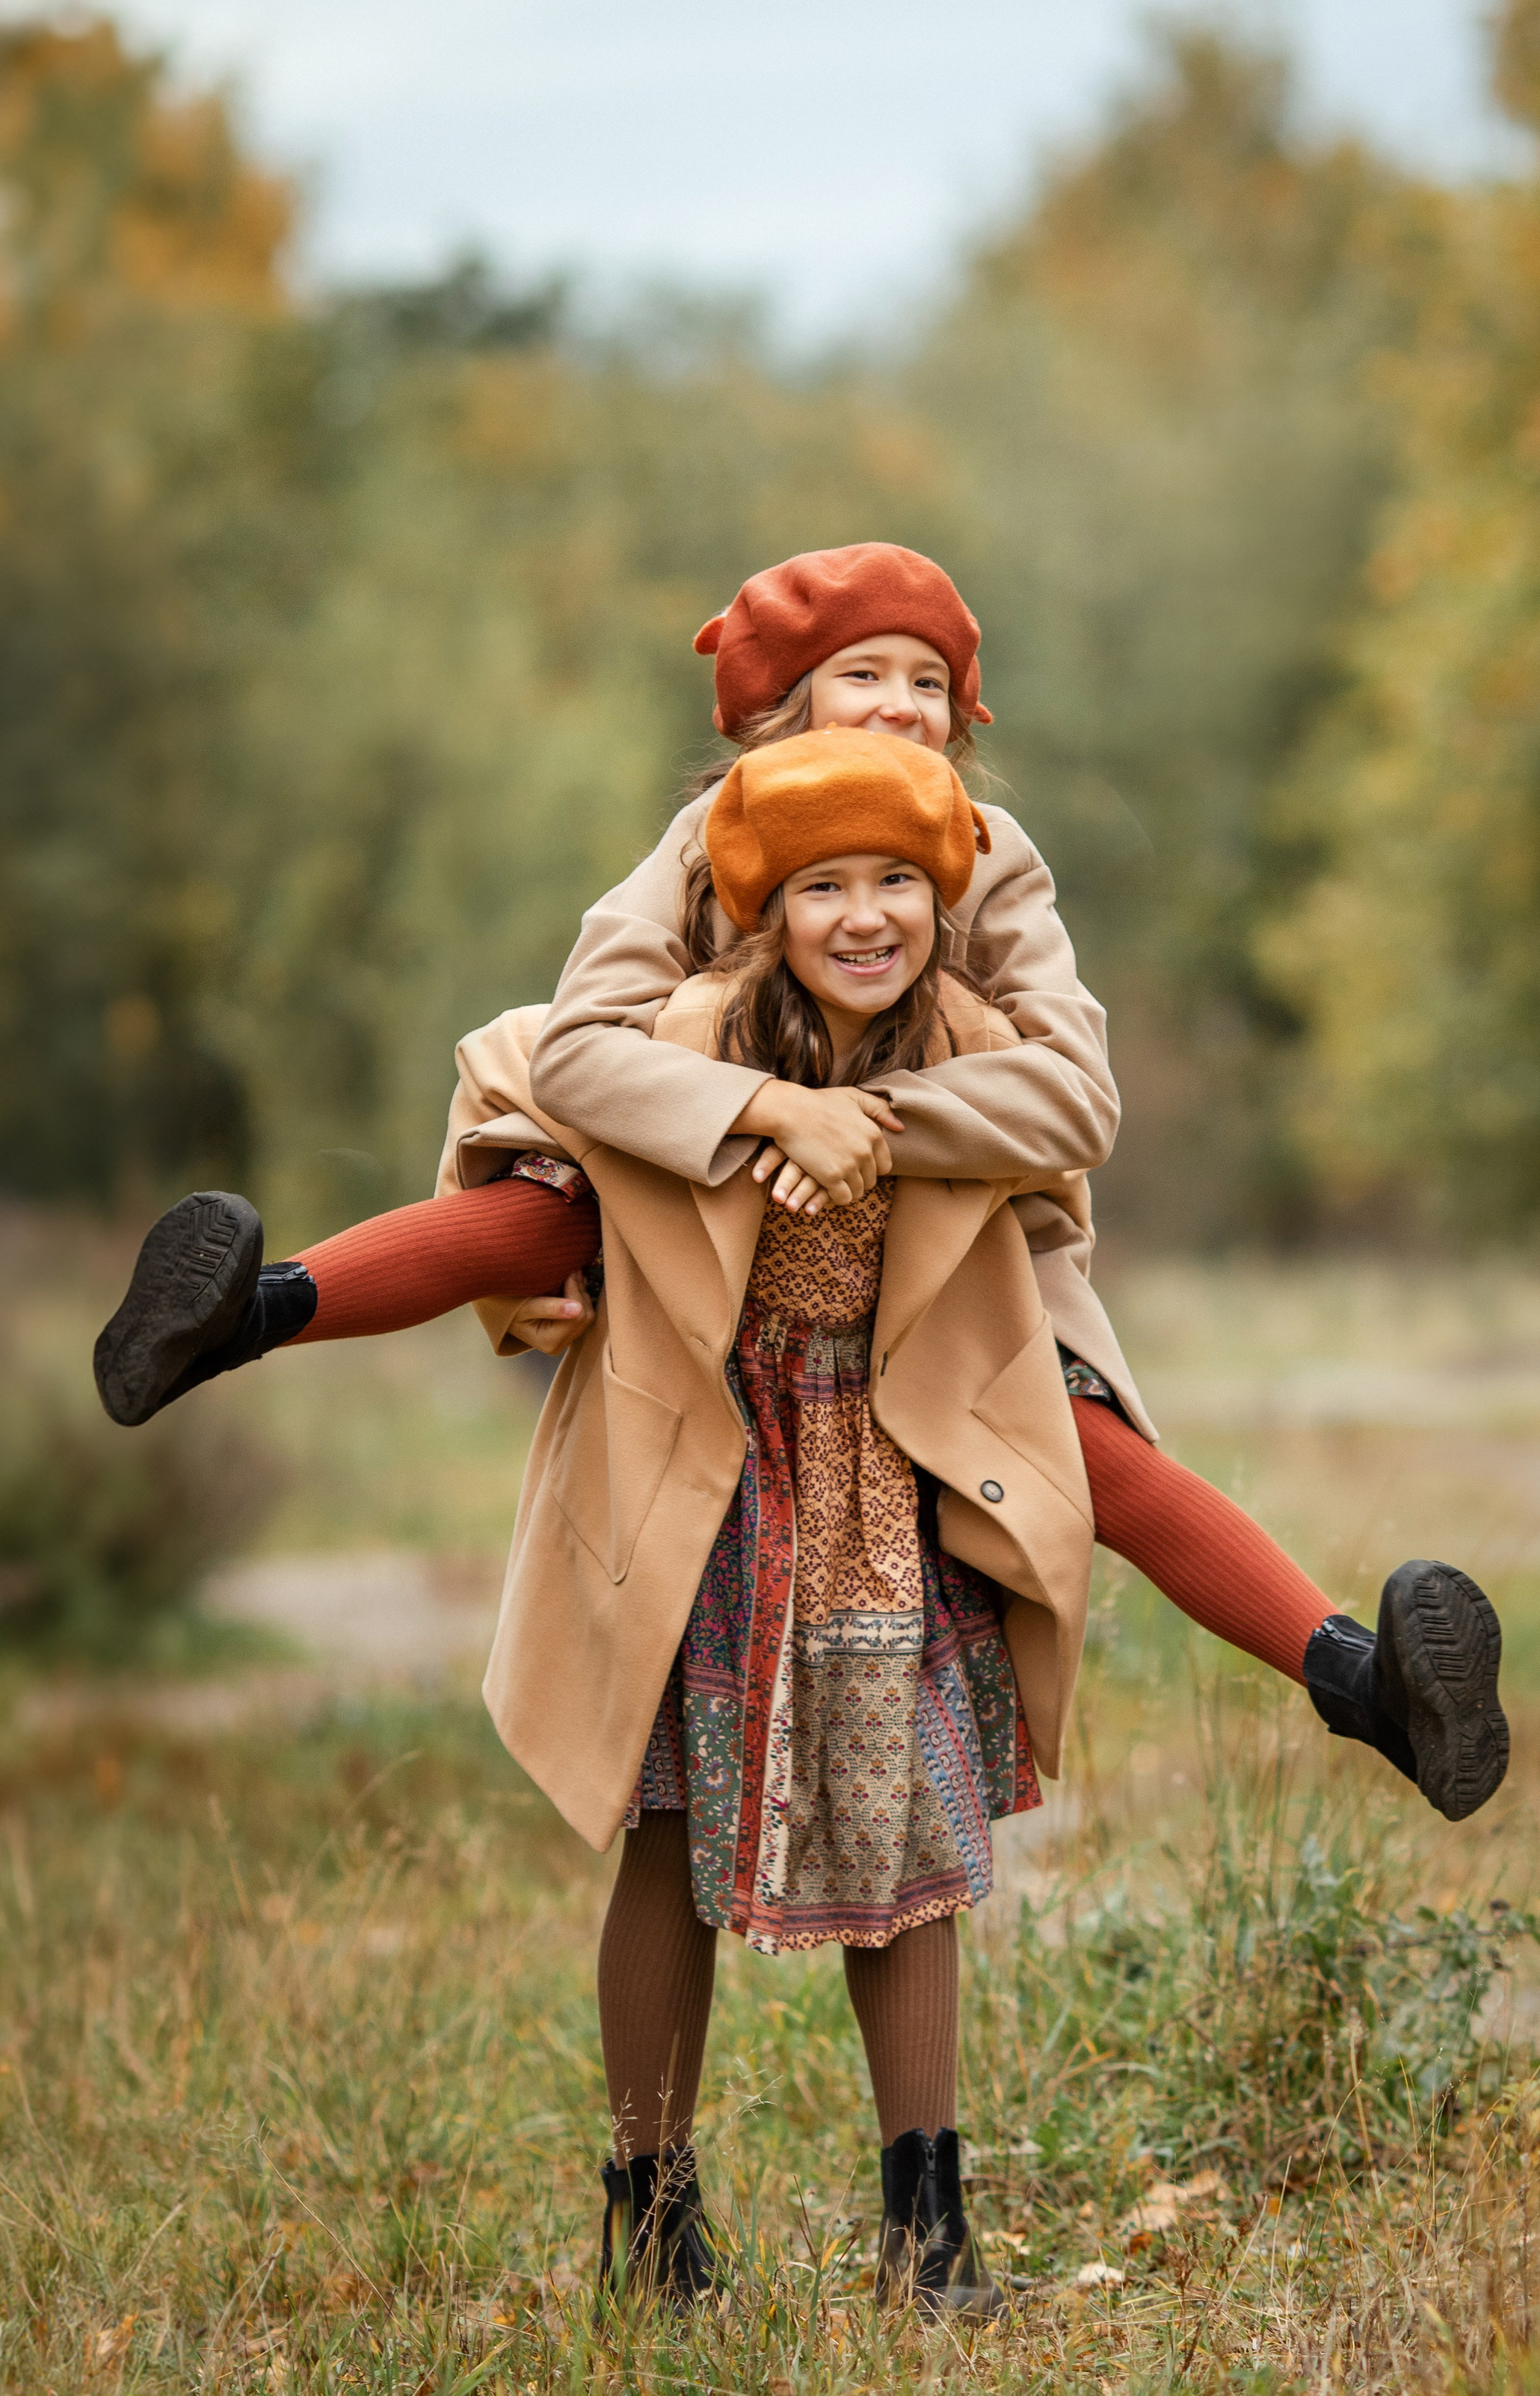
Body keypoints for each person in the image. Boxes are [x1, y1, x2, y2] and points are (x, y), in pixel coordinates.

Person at [93, 543, 1506, 1832]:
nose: (901, 705)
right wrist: (766, 1107)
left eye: (930, 683)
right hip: (721, 1209)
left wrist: (869, 1124)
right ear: (786, 704)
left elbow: (1080, 1098)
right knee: (557, 1194)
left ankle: (1368, 1684)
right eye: (864, 674)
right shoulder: (702, 840)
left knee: (1089, 1452)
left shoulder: (994, 857)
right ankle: (242, 1316)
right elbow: (579, 1044)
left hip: (948, 1240)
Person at [443, 727, 1094, 2309]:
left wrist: (877, 1122)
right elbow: (524, 1070)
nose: (863, 916)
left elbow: (1071, 1127)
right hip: (715, 1472)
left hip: (889, 1474)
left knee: (917, 1837)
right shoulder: (692, 1026)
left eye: (896, 883)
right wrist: (763, 1111)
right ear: (765, 908)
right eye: (821, 887)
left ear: (940, 901)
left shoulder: (969, 1035)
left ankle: (927, 2236)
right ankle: (651, 2223)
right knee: (668, 1825)